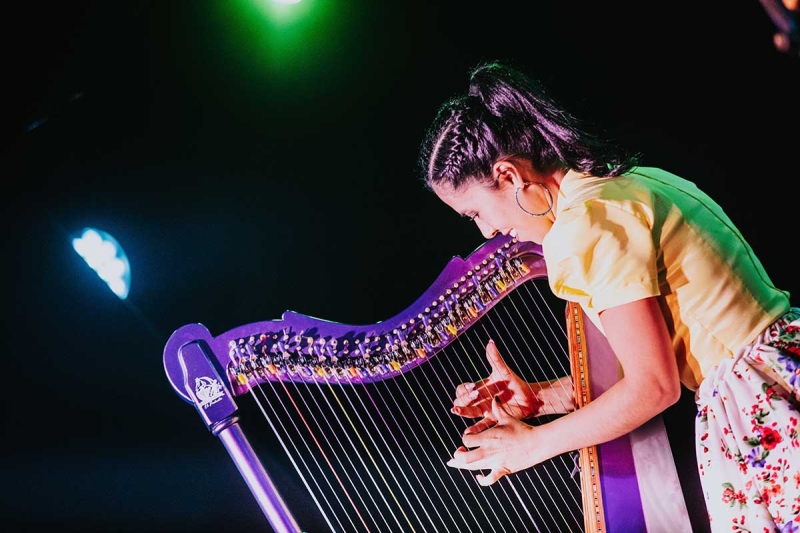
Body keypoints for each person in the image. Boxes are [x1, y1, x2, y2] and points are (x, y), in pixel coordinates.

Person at [418, 59, 800, 532]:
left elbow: (654, 386)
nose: (488, 231)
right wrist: (538, 398)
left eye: (475, 211)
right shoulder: (623, 186)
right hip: (778, 371)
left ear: (510, 176)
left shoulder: (586, 228)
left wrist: (530, 446)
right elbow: (646, 365)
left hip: (760, 404)